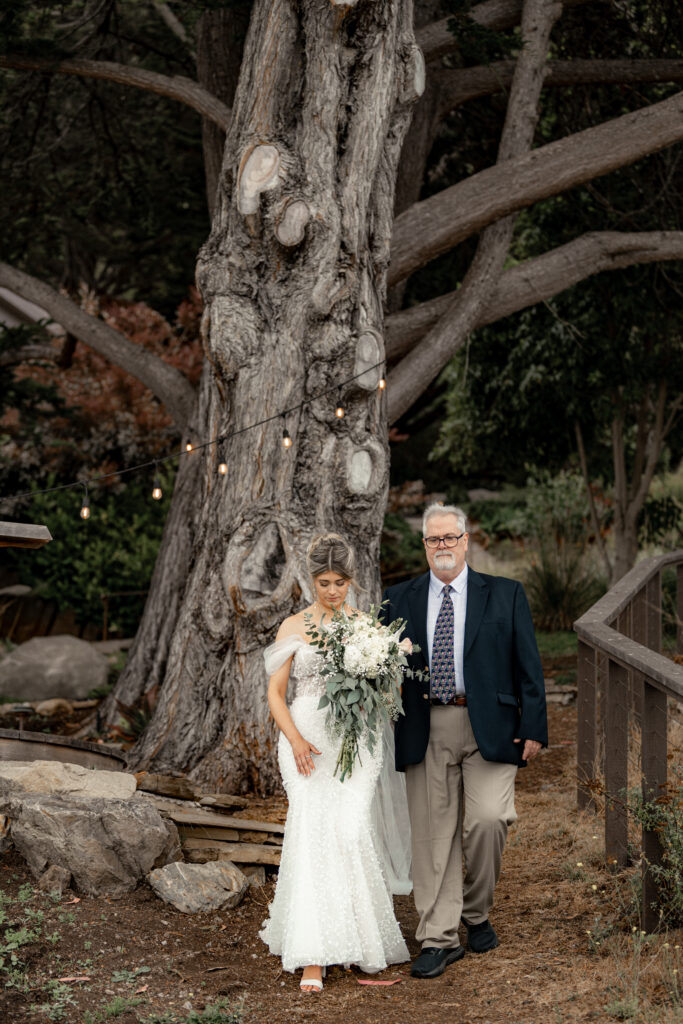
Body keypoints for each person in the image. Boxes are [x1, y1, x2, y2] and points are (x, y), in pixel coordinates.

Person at [380, 503, 547, 979]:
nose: (443, 546)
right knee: (433, 837)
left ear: (467, 540)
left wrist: (534, 724)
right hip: (424, 726)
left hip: (489, 725)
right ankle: (439, 937)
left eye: (451, 537)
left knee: (488, 821)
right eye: (434, 539)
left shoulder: (505, 594)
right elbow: (383, 670)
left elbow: (528, 664)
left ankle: (475, 912)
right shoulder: (399, 598)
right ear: (425, 546)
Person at [259, 533, 410, 993]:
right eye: (324, 582)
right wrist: (297, 739)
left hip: (355, 746)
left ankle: (362, 941)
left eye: (340, 582)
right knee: (313, 830)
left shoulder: (365, 628)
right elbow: (275, 694)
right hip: (305, 742)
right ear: (312, 581)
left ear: (351, 581)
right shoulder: (293, 628)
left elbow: (387, 693)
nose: (332, 591)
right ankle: (313, 955)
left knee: (348, 829)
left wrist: (375, 686)